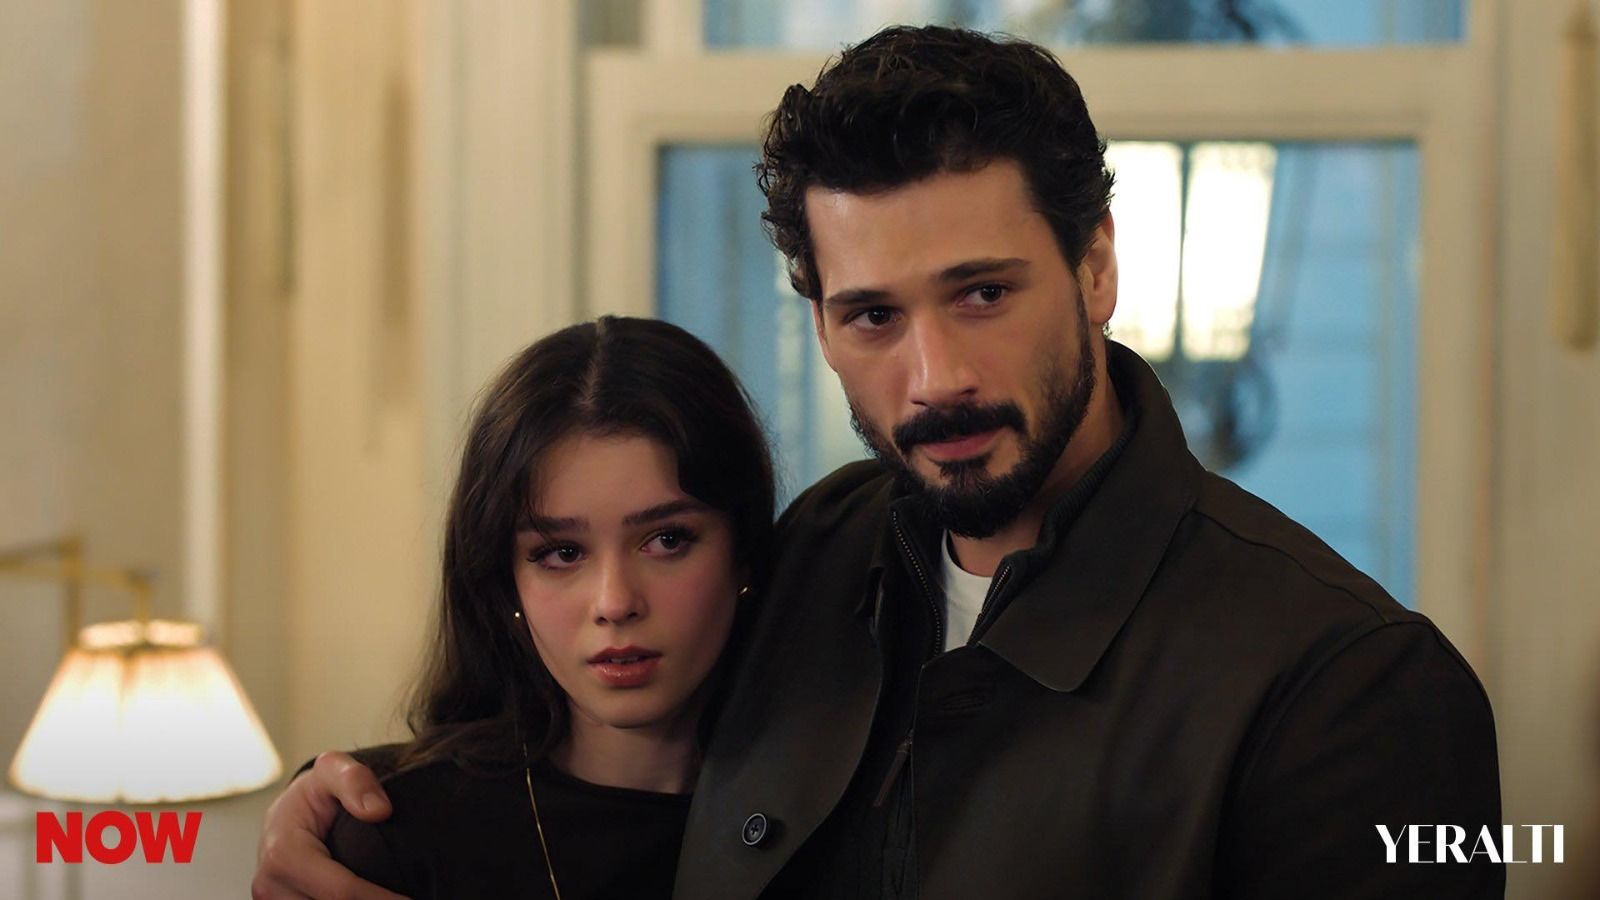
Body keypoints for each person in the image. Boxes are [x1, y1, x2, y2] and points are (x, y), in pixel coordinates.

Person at [254, 25, 1502, 900]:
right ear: (816, 323)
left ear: (1096, 268)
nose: (934, 375)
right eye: (872, 316)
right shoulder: (820, 551)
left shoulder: (1350, 686)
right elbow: (605, 766)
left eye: (982, 293)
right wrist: (352, 806)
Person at [296, 316, 774, 899]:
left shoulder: (832, 820)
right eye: (562, 553)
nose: (615, 602)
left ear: (744, 553)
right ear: (506, 582)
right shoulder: (393, 834)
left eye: (667, 540)